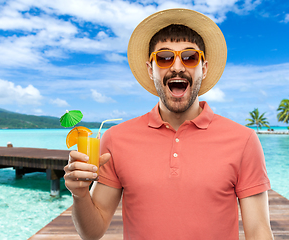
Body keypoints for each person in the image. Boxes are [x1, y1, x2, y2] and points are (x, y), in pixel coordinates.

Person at [64, 8, 274, 240]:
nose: (176, 67)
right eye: (164, 58)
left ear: (203, 68)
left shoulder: (243, 140)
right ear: (150, 69)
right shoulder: (116, 139)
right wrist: (80, 195)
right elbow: (92, 233)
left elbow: (259, 231)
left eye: (189, 57)